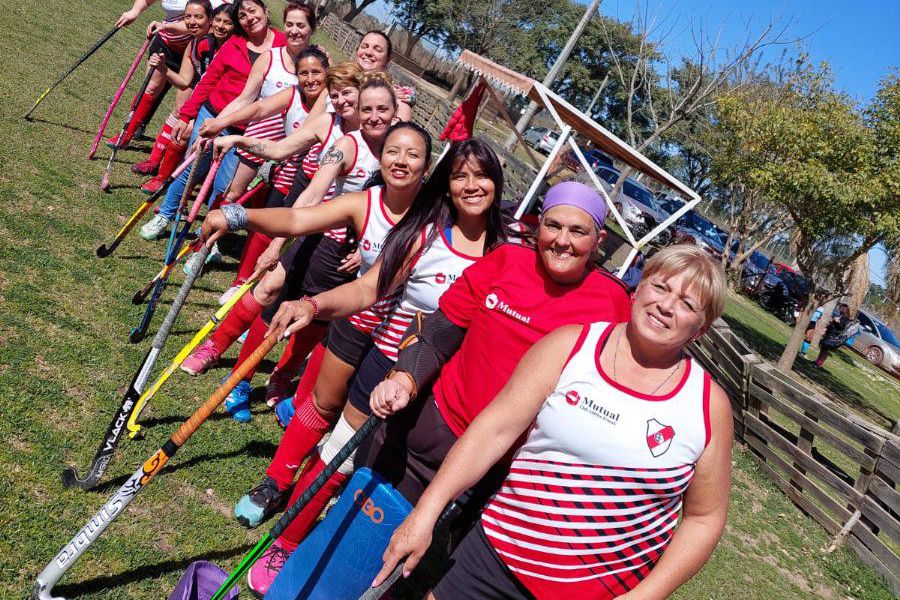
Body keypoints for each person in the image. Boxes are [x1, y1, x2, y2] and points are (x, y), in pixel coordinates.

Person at [374, 244, 732, 600]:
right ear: (638, 289)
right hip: (493, 558)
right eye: (661, 287)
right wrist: (426, 513)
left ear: (700, 329)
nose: (666, 306)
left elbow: (704, 518)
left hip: (596, 592)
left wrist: (645, 596)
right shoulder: (570, 346)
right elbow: (493, 429)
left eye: (687, 304)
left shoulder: (706, 405)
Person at [232, 140, 510, 595]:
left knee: (382, 474)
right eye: (460, 176)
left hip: (442, 391)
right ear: (447, 183)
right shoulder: (427, 232)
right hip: (387, 363)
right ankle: (286, 541)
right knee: (339, 455)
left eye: (481, 175)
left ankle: (344, 555)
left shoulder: (507, 256)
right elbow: (368, 289)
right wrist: (314, 303)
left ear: (497, 183)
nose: (471, 185)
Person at [181, 74, 399, 423]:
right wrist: (280, 243)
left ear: (394, 113)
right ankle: (237, 376)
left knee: (316, 321)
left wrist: (371, 250)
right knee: (269, 297)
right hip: (318, 238)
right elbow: (313, 192)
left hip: (353, 258)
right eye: (367, 109)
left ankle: (281, 376)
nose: (374, 116)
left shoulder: (399, 150)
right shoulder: (347, 145)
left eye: (382, 110)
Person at [140, 0, 286, 241]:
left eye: (253, 11)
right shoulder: (235, 44)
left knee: (223, 186)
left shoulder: (282, 45)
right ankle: (165, 215)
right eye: (242, 15)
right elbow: (206, 82)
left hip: (245, 128)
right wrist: (186, 115)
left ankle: (206, 233)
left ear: (265, 12)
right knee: (190, 168)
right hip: (212, 115)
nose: (249, 18)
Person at [133, 2, 235, 191]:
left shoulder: (232, 47)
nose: (192, 22)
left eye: (198, 17)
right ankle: (155, 162)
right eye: (188, 17)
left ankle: (166, 177)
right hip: (201, 86)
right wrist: (163, 67)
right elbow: (183, 81)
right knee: (179, 113)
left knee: (187, 130)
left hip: (222, 100)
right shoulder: (196, 43)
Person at [110, 0, 200, 148]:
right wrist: (135, 11)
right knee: (151, 88)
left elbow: (195, 24)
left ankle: (161, 155)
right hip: (164, 42)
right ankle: (126, 134)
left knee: (181, 107)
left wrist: (165, 26)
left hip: (190, 51)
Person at [352, 30, 414, 122]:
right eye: (364, 46)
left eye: (377, 50)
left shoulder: (395, 98)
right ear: (357, 51)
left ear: (387, 60)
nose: (368, 52)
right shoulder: (340, 81)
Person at [815, 303, 859, 368]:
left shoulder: (845, 318)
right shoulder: (840, 316)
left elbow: (842, 327)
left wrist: (836, 322)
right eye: (840, 308)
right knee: (823, 349)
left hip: (834, 337)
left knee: (825, 350)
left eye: (841, 308)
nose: (840, 309)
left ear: (845, 310)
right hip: (830, 334)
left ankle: (819, 364)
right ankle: (817, 362)